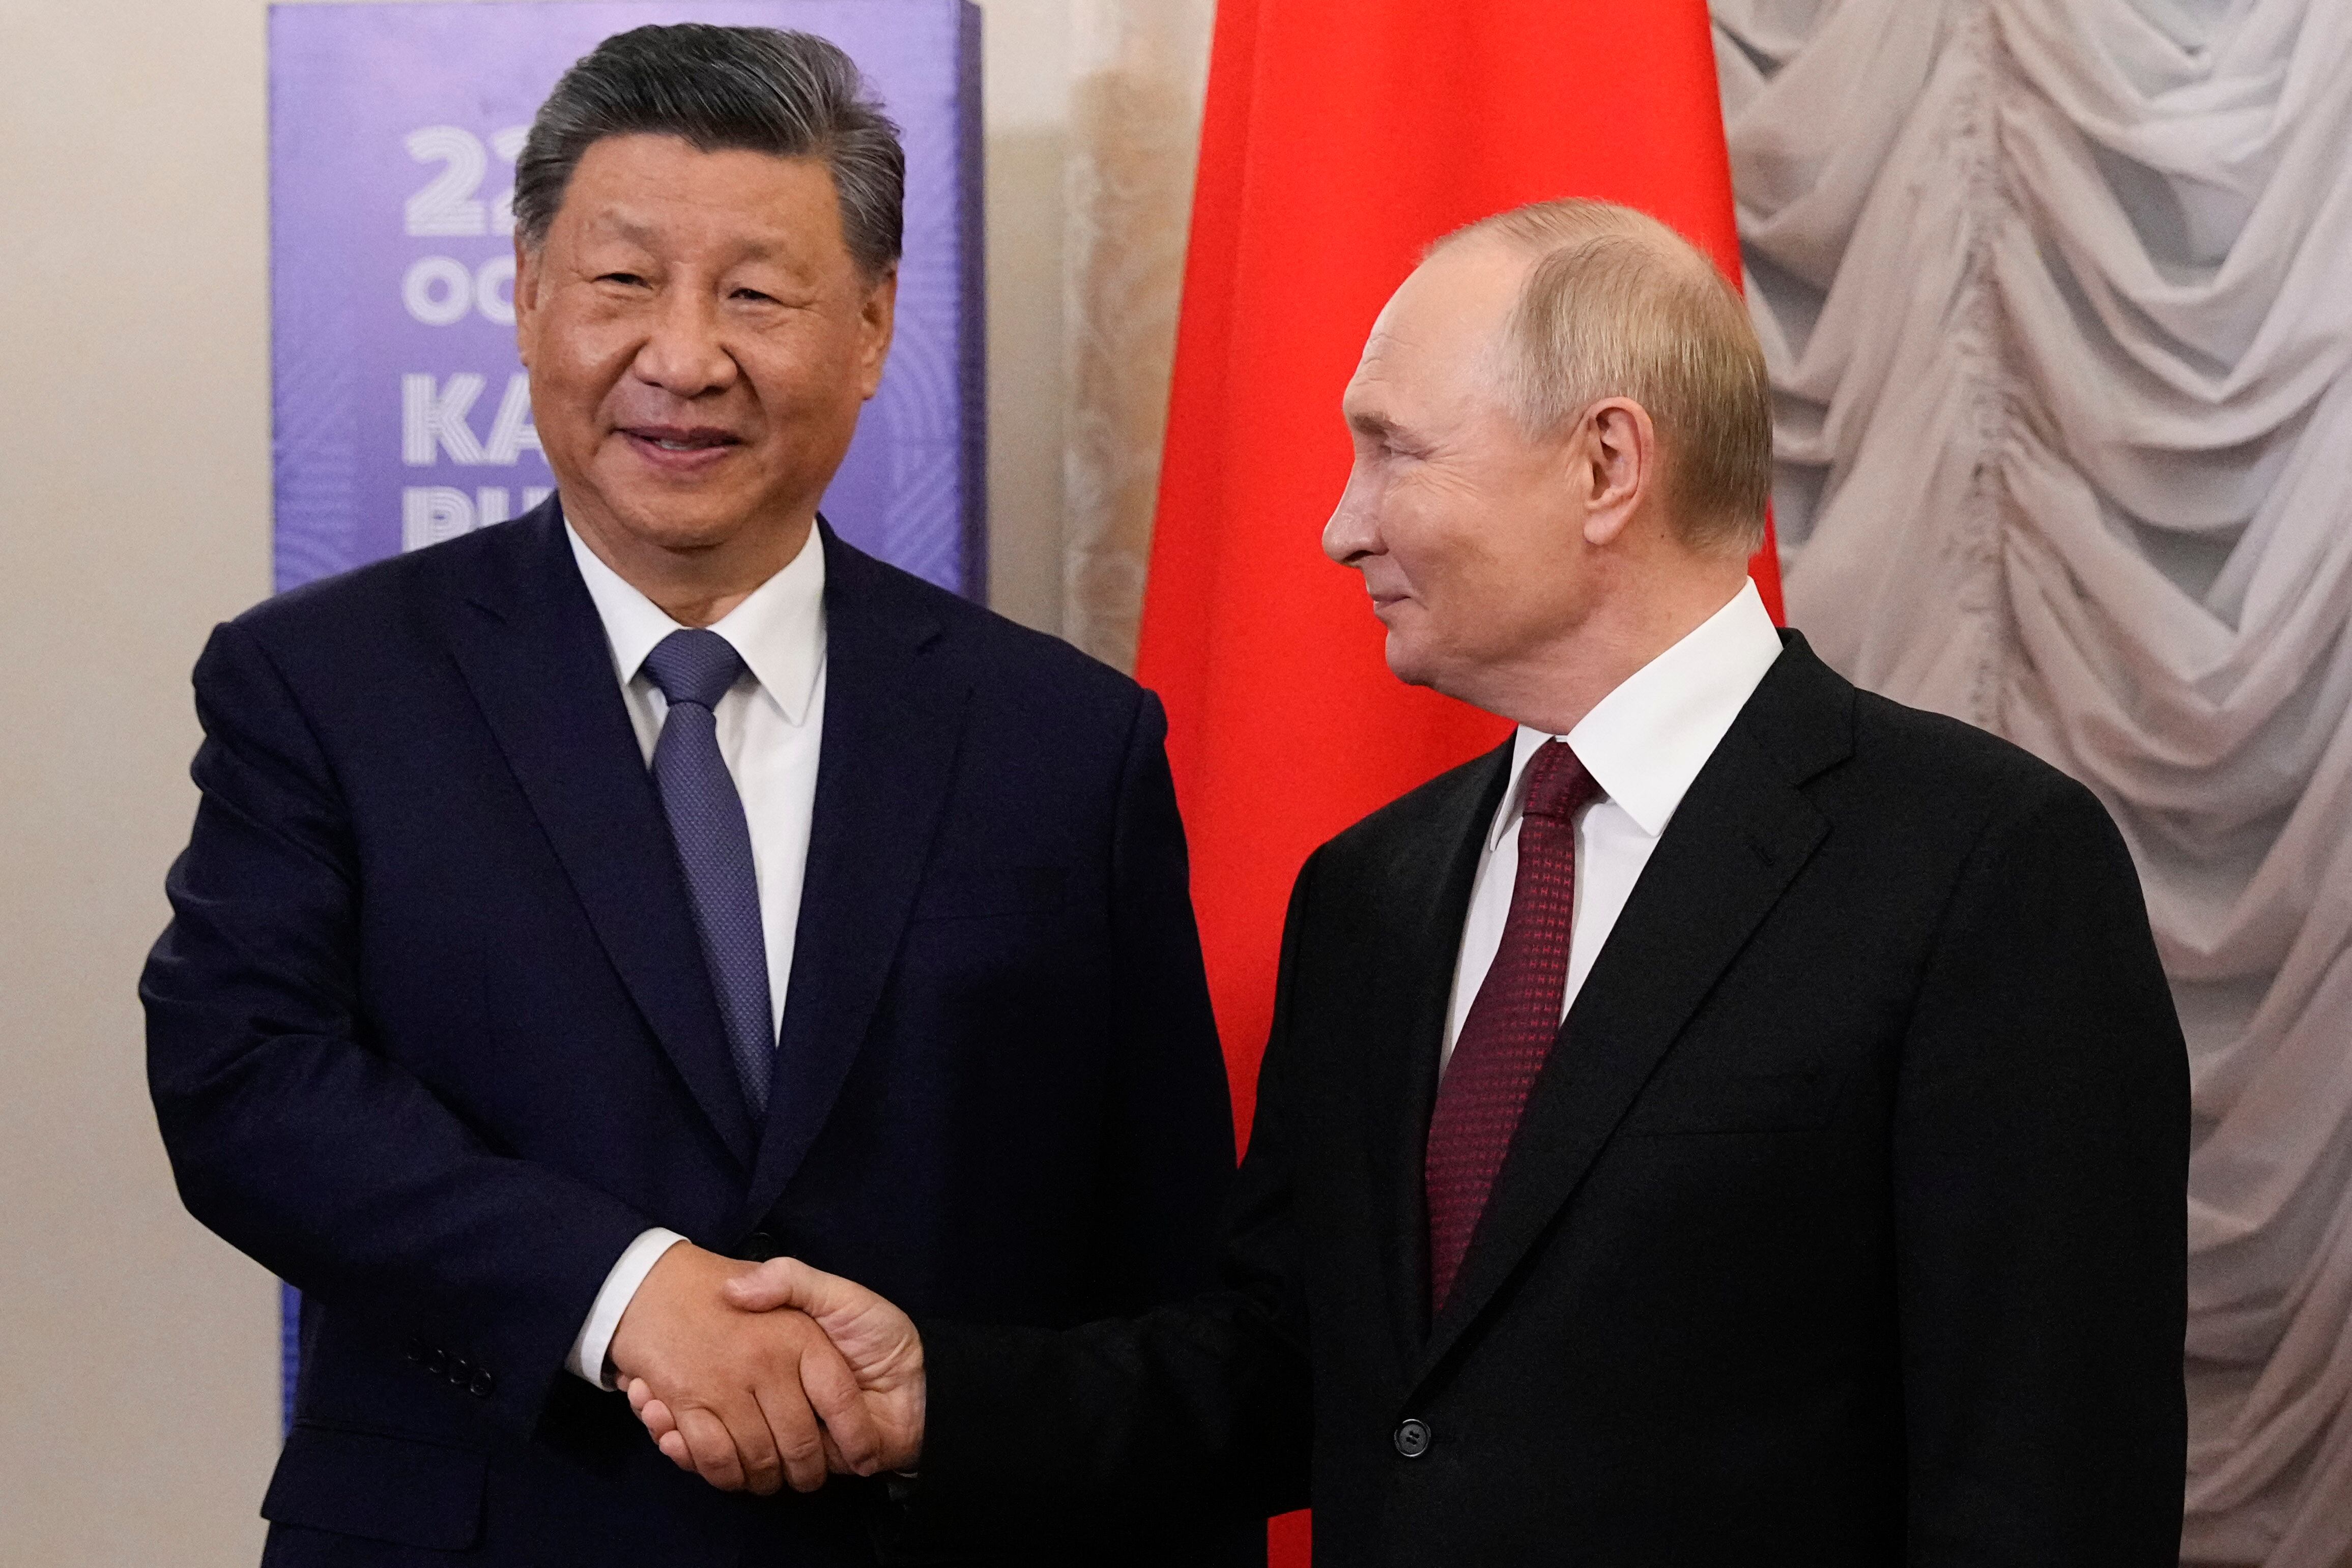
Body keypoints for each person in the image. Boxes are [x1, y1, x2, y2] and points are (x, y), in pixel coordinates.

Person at [633, 199, 2193, 1565]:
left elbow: (2043, 1486)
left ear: (1605, 463)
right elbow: (1290, 1372)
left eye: (1393, 449)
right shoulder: (1375, 891)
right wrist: (935, 1396)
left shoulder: (1980, 869)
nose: (1338, 524)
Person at [142, 24, 1246, 1568]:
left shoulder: (1064, 742)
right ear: (528, 296)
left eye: (756, 293)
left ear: (871, 329)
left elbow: (1167, 1269)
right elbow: (245, 1084)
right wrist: (625, 1289)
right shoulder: (325, 686)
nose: (682, 356)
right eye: (622, 283)